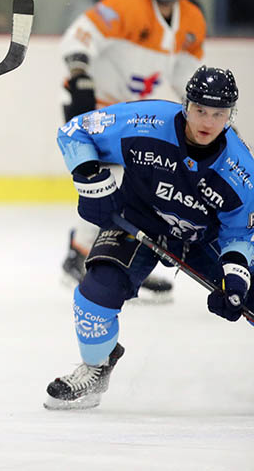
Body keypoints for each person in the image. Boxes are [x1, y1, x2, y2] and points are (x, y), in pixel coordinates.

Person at [45, 66, 254, 411]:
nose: (207, 122)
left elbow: (241, 232)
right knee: (94, 297)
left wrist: (235, 278)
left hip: (204, 239)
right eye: (200, 110)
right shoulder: (146, 121)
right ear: (186, 105)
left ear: (232, 115)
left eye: (219, 114)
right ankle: (97, 366)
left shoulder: (240, 170)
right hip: (138, 220)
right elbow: (74, 131)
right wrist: (91, 181)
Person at [59, 0, 206, 302]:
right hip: (96, 106)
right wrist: (79, 72)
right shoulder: (125, 3)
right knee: (111, 181)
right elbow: (82, 33)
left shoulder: (191, 19)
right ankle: (80, 255)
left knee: (145, 187)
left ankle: (119, 260)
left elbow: (186, 72)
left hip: (137, 116)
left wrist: (203, 111)